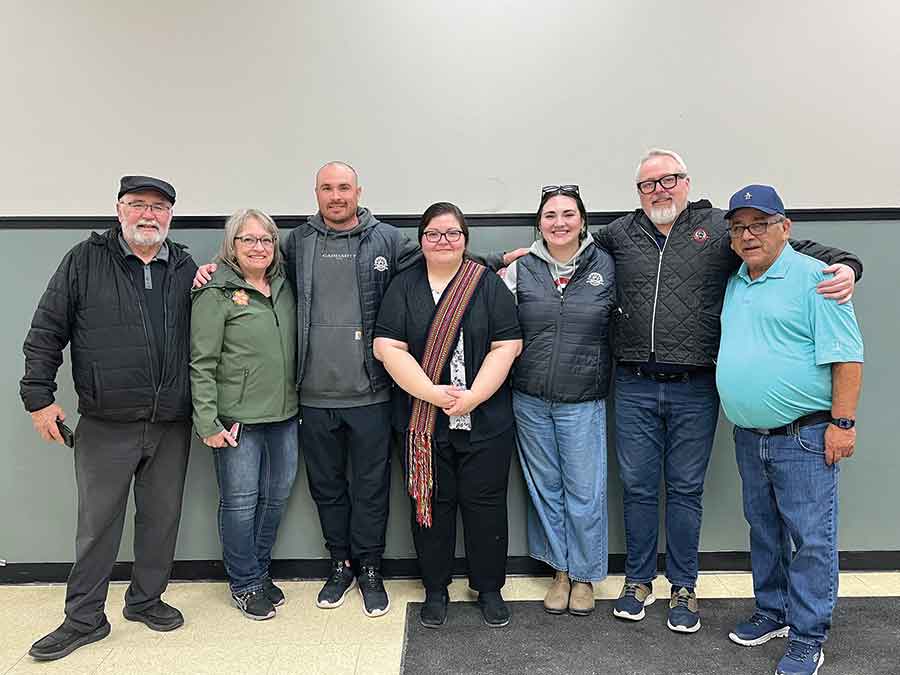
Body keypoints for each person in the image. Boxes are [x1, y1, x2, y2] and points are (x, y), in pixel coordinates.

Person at [193, 162, 513, 616]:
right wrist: (214, 270)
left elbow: (444, 260)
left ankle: (370, 569)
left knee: (371, 488)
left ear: (358, 191)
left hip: (372, 393)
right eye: (327, 188)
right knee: (327, 489)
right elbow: (253, 265)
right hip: (311, 396)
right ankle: (340, 565)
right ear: (317, 193)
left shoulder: (385, 239)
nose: (336, 195)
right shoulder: (297, 242)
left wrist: (497, 261)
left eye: (344, 187)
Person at [592, 149, 863, 634]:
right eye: (649, 184)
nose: (660, 190)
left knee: (685, 489)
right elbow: (569, 248)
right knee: (635, 487)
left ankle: (683, 586)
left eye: (669, 179)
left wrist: (847, 265)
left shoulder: (722, 227)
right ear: (638, 192)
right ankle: (637, 581)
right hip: (632, 384)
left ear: (686, 182)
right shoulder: (620, 233)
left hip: (695, 387)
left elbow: (794, 247)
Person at [20, 176, 197, 661]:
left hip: (170, 423)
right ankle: (84, 619)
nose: (148, 215)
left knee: (161, 520)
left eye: (159, 207)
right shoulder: (84, 261)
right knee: (97, 525)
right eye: (138, 205)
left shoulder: (182, 267)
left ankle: (145, 600)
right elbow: (46, 331)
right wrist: (39, 398)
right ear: (119, 210)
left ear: (170, 216)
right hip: (106, 421)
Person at [717, 185, 863, 675]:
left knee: (811, 539)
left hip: (805, 436)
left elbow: (847, 357)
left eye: (759, 224)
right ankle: (773, 611)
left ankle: (807, 636)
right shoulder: (738, 279)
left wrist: (842, 424)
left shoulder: (817, 279)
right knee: (765, 531)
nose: (748, 235)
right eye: (739, 227)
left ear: (786, 227)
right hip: (750, 435)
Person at [373, 202, 522, 629]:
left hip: (486, 418)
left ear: (465, 239)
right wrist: (431, 394)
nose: (443, 241)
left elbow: (506, 346)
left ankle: (488, 587)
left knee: (486, 505)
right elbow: (388, 348)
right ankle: (435, 588)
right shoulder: (403, 287)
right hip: (423, 421)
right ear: (421, 240)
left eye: (452, 233)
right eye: (434, 234)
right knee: (430, 505)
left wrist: (473, 396)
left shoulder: (487, 287)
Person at [501, 185, 615, 616]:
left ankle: (584, 575)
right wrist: (500, 260)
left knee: (584, 491)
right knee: (545, 488)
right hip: (529, 398)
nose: (559, 222)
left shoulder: (606, 264)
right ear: (539, 223)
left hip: (582, 399)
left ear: (583, 221)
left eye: (568, 214)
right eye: (550, 215)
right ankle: (560, 572)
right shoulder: (522, 269)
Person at [190, 209, 299, 621]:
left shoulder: (285, 286)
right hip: (236, 421)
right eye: (248, 240)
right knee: (239, 503)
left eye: (266, 240)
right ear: (232, 246)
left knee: (276, 497)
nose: (258, 247)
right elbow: (200, 363)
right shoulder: (215, 291)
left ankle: (260, 571)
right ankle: (244, 582)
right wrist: (207, 422)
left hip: (286, 414)